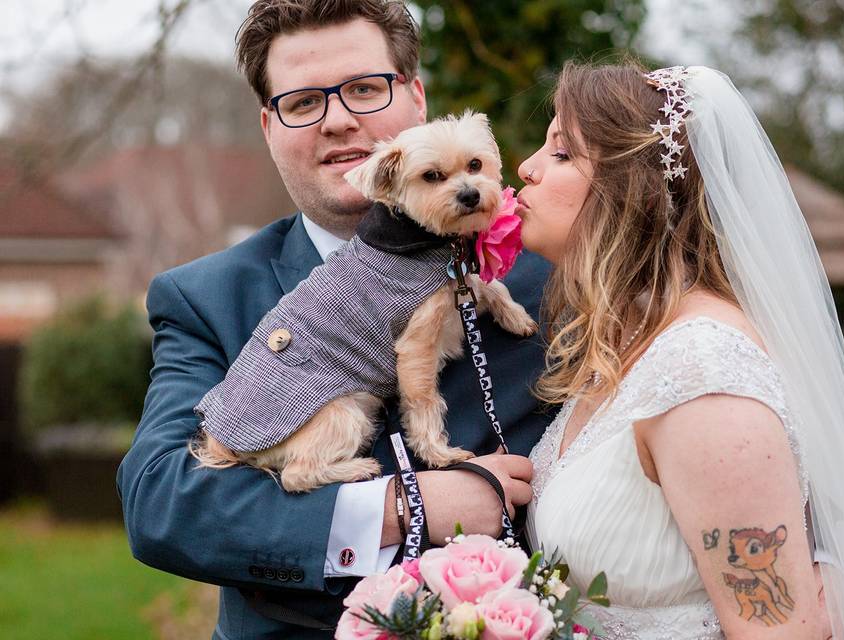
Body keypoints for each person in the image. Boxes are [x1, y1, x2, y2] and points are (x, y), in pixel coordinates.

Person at [116, 2, 552, 639]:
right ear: (269, 126)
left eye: (366, 88)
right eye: (301, 103)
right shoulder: (204, 297)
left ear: (417, 98)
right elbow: (163, 503)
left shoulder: (543, 277)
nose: (340, 120)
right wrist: (400, 508)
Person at [518, 60, 844, 639]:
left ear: (632, 191)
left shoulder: (702, 372)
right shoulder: (627, 348)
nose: (525, 169)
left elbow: (779, 631)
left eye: (562, 153)